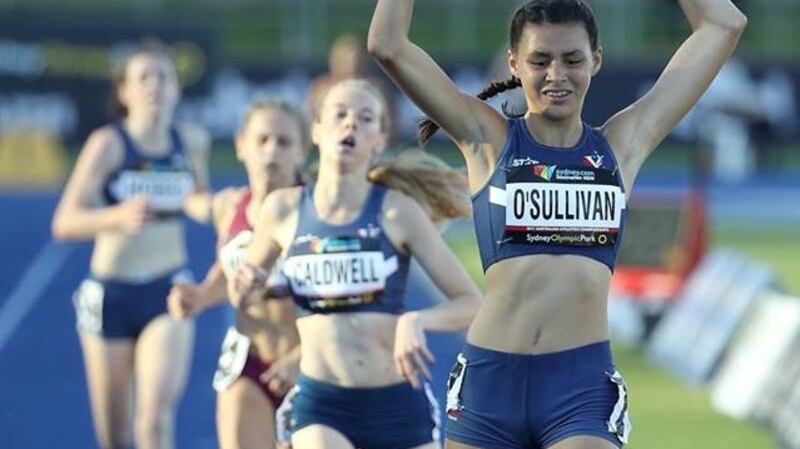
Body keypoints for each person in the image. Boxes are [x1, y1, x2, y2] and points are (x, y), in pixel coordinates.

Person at [368, 0, 746, 448]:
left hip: (580, 387)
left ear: (596, 60)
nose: (556, 75)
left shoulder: (622, 146)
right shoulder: (488, 140)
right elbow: (387, 45)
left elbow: (725, 23)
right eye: (539, 60)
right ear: (514, 63)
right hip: (490, 386)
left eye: (572, 60)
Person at [231, 78, 483, 449]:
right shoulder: (282, 210)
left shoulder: (397, 211)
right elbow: (244, 291)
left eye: (366, 119)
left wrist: (417, 320)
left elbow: (472, 302)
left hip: (396, 403)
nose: (350, 124)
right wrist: (246, 282)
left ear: (378, 141)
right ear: (316, 130)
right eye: (340, 114)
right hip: (322, 403)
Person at [51, 41, 211, 449]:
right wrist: (114, 217)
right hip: (111, 293)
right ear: (124, 92)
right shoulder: (108, 144)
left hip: (168, 289)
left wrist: (221, 208)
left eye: (164, 77)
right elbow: (64, 222)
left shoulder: (192, 141)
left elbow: (197, 197)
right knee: (116, 437)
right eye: (144, 77)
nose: (155, 85)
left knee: (155, 421)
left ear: (177, 89)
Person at [166, 100, 308, 449]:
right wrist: (198, 295)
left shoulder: (318, 210)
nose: (272, 150)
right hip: (249, 362)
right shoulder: (229, 207)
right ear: (240, 146)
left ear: (303, 151)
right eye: (262, 140)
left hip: (310, 366)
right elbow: (230, 269)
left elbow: (347, 304)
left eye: (284, 141)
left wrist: (303, 357)